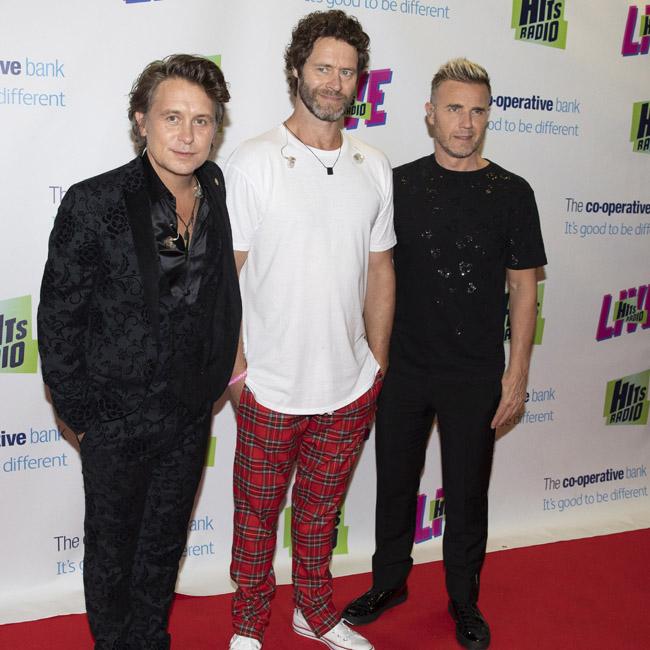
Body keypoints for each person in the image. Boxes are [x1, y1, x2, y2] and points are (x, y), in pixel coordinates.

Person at [37, 54, 241, 650]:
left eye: (202, 121)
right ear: (141, 121)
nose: (187, 134)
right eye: (172, 117)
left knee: (163, 547)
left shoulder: (213, 187)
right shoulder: (94, 202)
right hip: (115, 417)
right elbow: (59, 319)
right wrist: (83, 418)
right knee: (113, 554)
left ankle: (151, 639)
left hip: (187, 413)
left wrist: (210, 386)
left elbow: (217, 293)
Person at [342, 58, 547, 650]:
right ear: (430, 114)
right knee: (393, 484)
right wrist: (370, 357)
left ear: (488, 117)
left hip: (475, 373)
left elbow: (524, 288)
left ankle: (463, 598)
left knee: (466, 492)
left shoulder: (512, 193)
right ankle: (388, 583)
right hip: (402, 367)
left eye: (477, 111)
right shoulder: (396, 184)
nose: (466, 122)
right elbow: (373, 274)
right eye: (454, 109)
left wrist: (518, 373)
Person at [225, 10, 396, 650]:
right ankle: (248, 623)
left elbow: (381, 269)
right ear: (297, 69)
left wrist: (376, 365)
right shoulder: (253, 161)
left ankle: (315, 613)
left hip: (348, 386)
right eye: (323, 67)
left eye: (347, 72)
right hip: (269, 384)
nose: (334, 82)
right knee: (255, 518)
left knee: (322, 515)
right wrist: (237, 372)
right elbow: (224, 279)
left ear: (359, 82)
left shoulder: (373, 165)